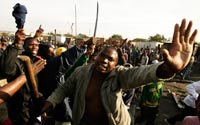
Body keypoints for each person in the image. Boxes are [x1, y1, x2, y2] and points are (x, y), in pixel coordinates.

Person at [41, 19, 198, 125]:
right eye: (102, 56)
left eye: (110, 59)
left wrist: (168, 69)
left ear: (116, 64)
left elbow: (142, 74)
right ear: (96, 57)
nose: (105, 60)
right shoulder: (82, 72)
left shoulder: (119, 75)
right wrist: (51, 101)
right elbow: (65, 88)